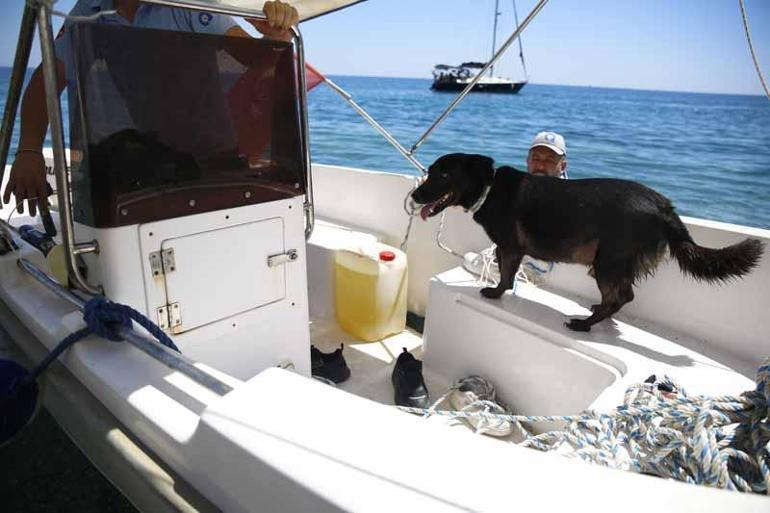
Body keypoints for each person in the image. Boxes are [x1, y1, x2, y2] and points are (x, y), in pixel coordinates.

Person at [3, 0, 299, 216]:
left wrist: (274, 39)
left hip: (215, 159)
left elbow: (252, 56)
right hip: (151, 162)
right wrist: (28, 150)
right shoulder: (89, 10)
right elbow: (49, 78)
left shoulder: (188, 2)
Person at [519, 131, 569, 283]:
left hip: (537, 275)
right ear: (527, 161)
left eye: (550, 160)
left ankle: (528, 270)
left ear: (563, 166)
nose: (540, 166)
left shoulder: (569, 199)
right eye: (536, 158)